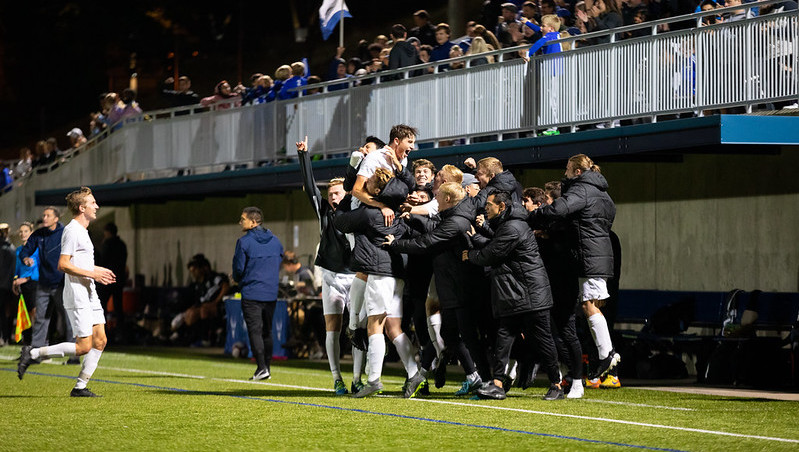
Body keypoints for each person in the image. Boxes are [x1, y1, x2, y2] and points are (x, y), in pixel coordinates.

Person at [386, 182, 490, 396]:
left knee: (468, 337)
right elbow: (433, 228)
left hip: (461, 286)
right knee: (448, 335)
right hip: (451, 287)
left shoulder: (456, 222)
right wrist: (412, 216)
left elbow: (428, 242)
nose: (435, 201)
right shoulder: (452, 217)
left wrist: (396, 244)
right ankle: (472, 376)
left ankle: (487, 379)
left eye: (438, 197)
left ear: (448, 199)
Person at [527, 154, 621, 382]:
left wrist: (533, 217)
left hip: (590, 255)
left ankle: (607, 355)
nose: (565, 173)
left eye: (568, 169)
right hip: (597, 253)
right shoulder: (603, 193)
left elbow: (559, 210)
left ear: (577, 172)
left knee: (589, 305)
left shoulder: (582, 189)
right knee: (591, 304)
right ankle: (605, 355)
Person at [334, 168, 425, 398]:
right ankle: (414, 373)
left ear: (376, 191)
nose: (364, 184)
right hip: (397, 273)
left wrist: (349, 195)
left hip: (379, 273)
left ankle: (373, 379)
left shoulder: (369, 214)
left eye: (369, 182)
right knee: (394, 328)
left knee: (374, 325)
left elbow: (340, 221)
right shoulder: (397, 211)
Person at [464, 191, 564, 401]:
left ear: (501, 206)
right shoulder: (507, 225)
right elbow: (494, 245)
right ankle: (498, 384)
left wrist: (470, 255)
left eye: (489, 205)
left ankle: (556, 384)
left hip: (531, 293)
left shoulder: (513, 226)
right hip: (514, 292)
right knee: (504, 338)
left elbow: (491, 254)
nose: (486, 209)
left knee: (543, 339)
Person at [18, 187, 117, 397]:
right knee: (82, 346)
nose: (96, 206)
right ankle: (32, 352)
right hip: (77, 292)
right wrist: (94, 275)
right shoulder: (72, 230)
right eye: (92, 203)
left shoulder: (82, 231)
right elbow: (63, 265)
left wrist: (98, 272)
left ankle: (80, 387)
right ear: (82, 208)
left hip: (89, 291)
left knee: (100, 340)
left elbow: (82, 264)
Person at [297, 137, 364, 395]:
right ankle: (337, 378)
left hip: (356, 276)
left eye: (337, 193)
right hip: (332, 277)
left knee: (357, 329)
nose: (332, 197)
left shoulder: (354, 210)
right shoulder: (324, 212)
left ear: (346, 193)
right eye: (330, 194)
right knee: (332, 330)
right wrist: (304, 156)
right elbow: (310, 187)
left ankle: (357, 378)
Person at [232, 207, 283, 380]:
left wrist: (237, 278)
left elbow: (238, 269)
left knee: (255, 331)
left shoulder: (244, 242)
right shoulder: (276, 241)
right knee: (267, 331)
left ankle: (261, 368)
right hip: (271, 292)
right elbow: (279, 262)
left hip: (252, 292)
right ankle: (266, 368)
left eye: (243, 219)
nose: (240, 222)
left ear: (253, 222)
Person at [18, 207, 73, 355]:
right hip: (43, 284)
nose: (44, 218)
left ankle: (74, 354)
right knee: (41, 318)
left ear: (56, 219)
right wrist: (25, 259)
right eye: (43, 215)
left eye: (48, 215)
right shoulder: (38, 234)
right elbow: (25, 250)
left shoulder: (65, 233)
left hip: (61, 284)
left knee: (68, 318)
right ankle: (36, 353)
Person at [96, 222, 127, 338]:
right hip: (118, 279)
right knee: (118, 307)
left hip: (107, 279)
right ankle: (120, 333)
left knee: (102, 306)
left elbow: (103, 261)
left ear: (107, 232)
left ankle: (103, 332)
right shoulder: (122, 244)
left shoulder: (107, 244)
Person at [12, 222, 39, 345]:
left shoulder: (37, 249)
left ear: (31, 233)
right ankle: (26, 348)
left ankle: (40, 346)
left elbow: (38, 269)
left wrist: (26, 279)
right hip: (22, 286)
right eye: (21, 231)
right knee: (24, 316)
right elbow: (17, 269)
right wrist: (15, 281)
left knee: (35, 316)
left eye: (26, 231)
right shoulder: (18, 250)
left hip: (34, 284)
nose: (23, 234)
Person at [0, 223, 14, 345]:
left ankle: (5, 337)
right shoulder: (10, 247)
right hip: (6, 285)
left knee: (5, 312)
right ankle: (6, 337)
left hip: (4, 286)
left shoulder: (7, 248)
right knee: (5, 312)